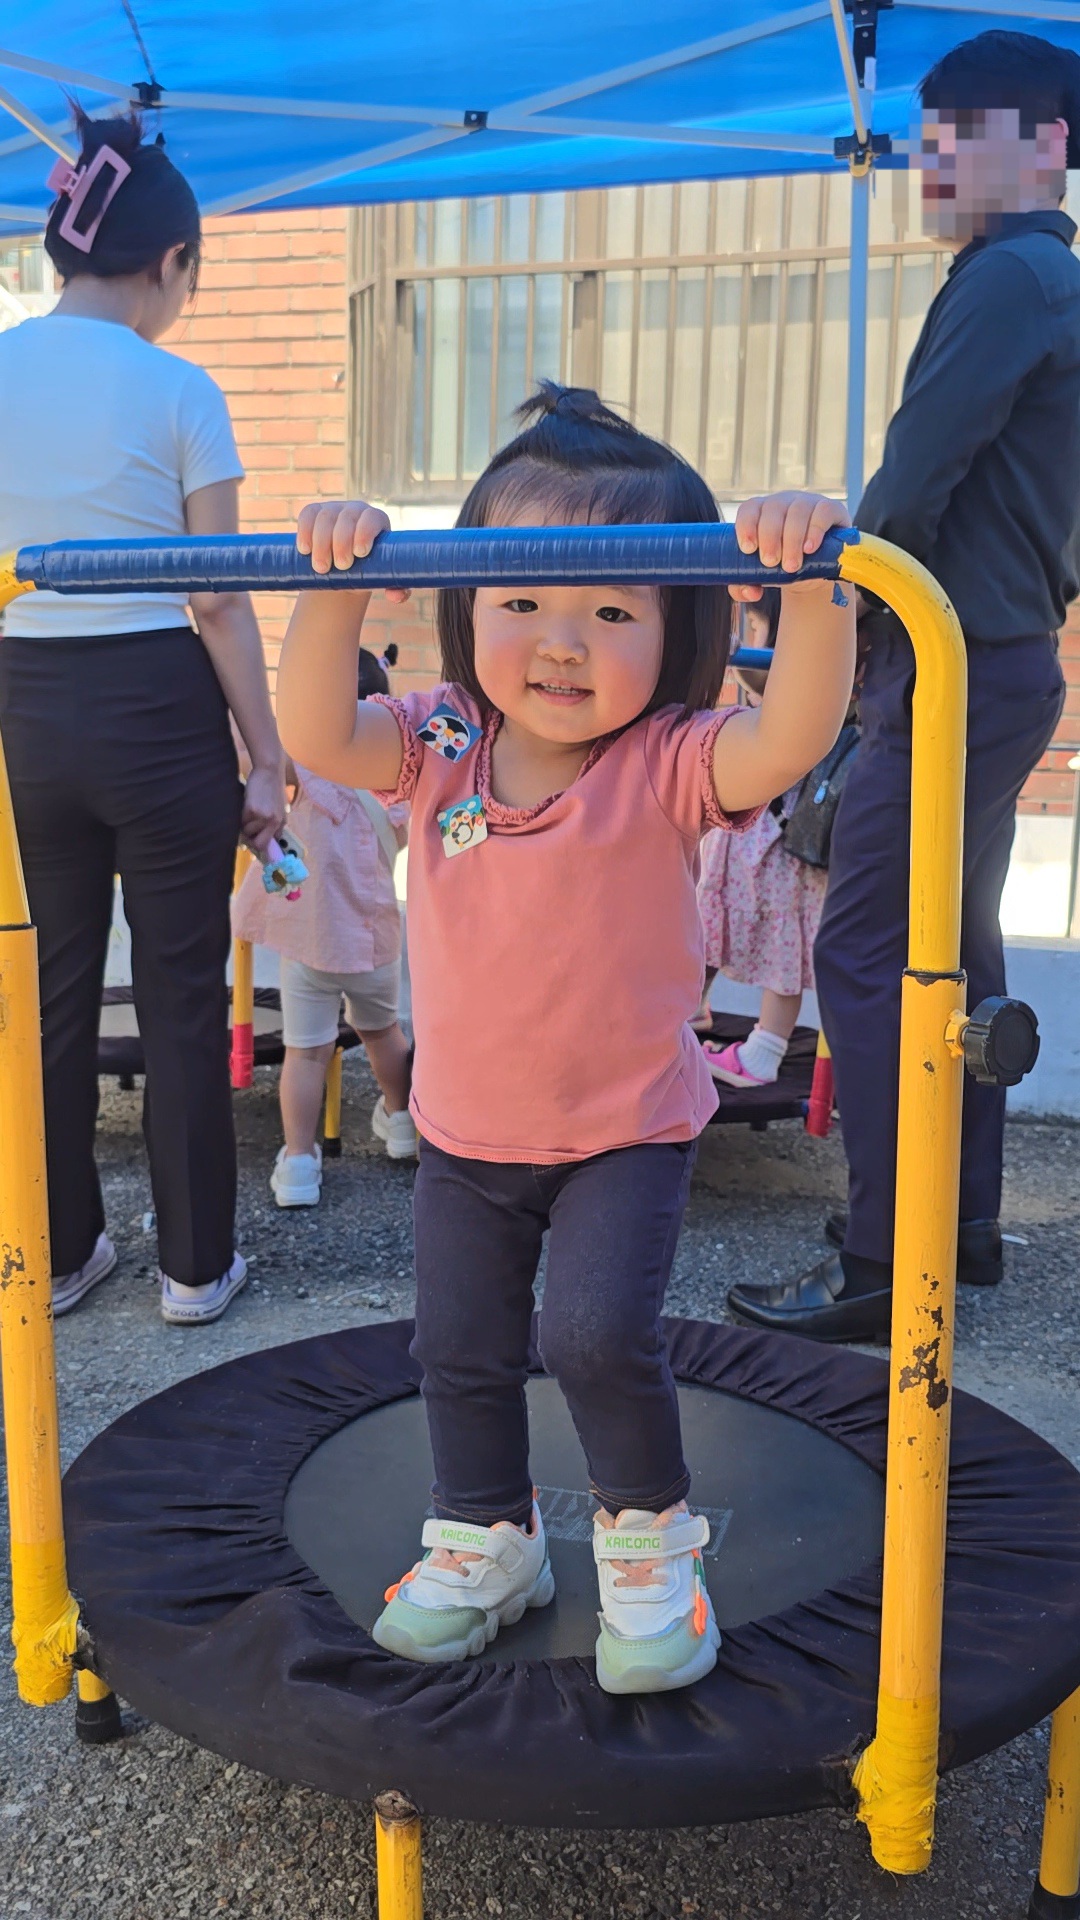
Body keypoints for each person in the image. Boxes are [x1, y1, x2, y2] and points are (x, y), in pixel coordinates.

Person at [275, 384, 855, 1694]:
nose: (560, 642)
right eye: (524, 599)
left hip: (624, 1132)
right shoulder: (441, 740)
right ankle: (489, 1536)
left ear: (679, 626)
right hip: (466, 1131)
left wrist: (812, 586)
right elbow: (316, 732)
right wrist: (330, 588)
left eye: (611, 612)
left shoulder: (669, 759)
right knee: (456, 1348)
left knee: (595, 1336)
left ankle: (650, 1546)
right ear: (467, 604)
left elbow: (795, 735)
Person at [729, 32, 1076, 1344]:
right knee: (953, 949)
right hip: (1001, 661)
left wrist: (838, 612)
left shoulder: (1012, 276)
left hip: (950, 665)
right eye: (930, 139)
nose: (937, 163)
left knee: (867, 949)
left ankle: (885, 1258)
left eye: (966, 134)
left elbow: (912, 482)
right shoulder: (1046, 281)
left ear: (1048, 144)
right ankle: (957, 1225)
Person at [0, 111, 286, 1326]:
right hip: (160, 709)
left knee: (47, 989)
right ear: (172, 262)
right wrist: (265, 756)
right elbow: (216, 596)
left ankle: (59, 1252)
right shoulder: (180, 387)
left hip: (24, 706)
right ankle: (194, 1270)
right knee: (179, 991)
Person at [232, 646, 416, 1206]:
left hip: (310, 941)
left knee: (306, 1053)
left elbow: (250, 757)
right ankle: (403, 1124)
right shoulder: (398, 776)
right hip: (374, 940)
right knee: (383, 1034)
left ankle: (297, 1165)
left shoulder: (306, 763)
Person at [695, 589, 829, 1089]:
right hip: (760, 823)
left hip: (784, 830)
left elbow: (766, 681)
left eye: (758, 627)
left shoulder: (809, 669)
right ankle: (691, 1008)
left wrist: (731, 652)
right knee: (708, 911)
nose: (753, 640)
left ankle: (765, 1052)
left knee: (781, 934)